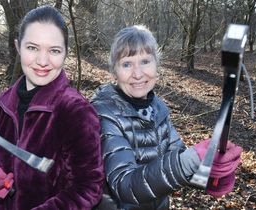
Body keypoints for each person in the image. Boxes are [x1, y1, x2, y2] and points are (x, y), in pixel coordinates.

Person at [91, 25, 242, 210]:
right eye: (127, 64)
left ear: (157, 64)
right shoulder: (103, 114)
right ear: (115, 71)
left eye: (145, 61)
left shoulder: (158, 108)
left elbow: (174, 161)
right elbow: (125, 184)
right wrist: (190, 160)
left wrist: (208, 176)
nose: (138, 74)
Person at [0, 5, 104, 209]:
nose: (43, 61)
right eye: (32, 48)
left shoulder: (76, 111)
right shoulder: (2, 104)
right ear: (17, 46)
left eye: (54, 50)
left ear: (65, 53)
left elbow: (88, 188)